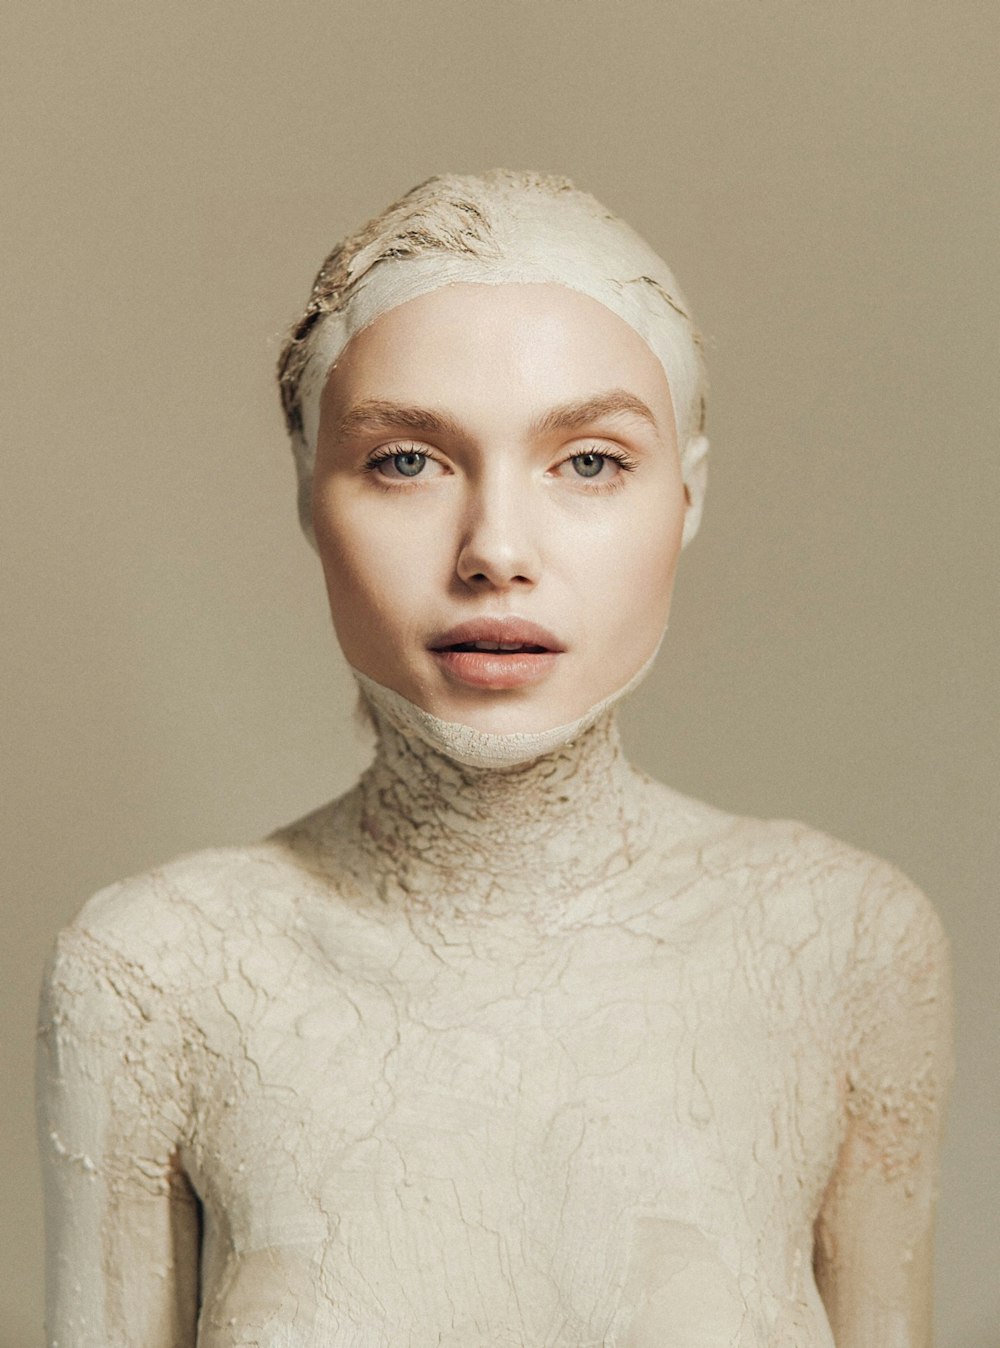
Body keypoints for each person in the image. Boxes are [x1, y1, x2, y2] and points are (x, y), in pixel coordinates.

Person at [36, 170, 953, 1347]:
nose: (496, 551)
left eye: (588, 461)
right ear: (311, 497)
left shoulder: (847, 946)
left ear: (686, 498)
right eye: (408, 460)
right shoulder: (150, 976)